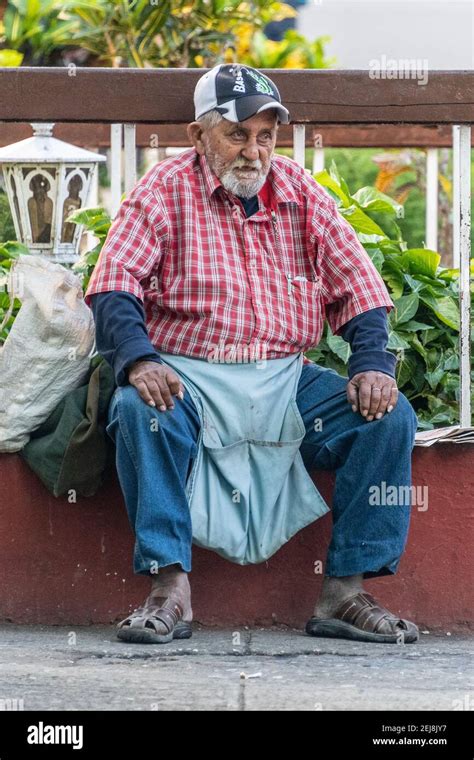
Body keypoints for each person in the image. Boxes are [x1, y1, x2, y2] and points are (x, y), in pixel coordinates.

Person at [85, 64, 419, 646]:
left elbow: (357, 285)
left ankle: (344, 592)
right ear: (198, 136)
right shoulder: (163, 189)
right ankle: (170, 589)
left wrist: (370, 361)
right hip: (187, 379)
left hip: (283, 383)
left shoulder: (300, 190)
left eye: (266, 136)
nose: (254, 150)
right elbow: (115, 284)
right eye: (238, 134)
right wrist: (139, 360)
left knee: (388, 417)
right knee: (141, 409)